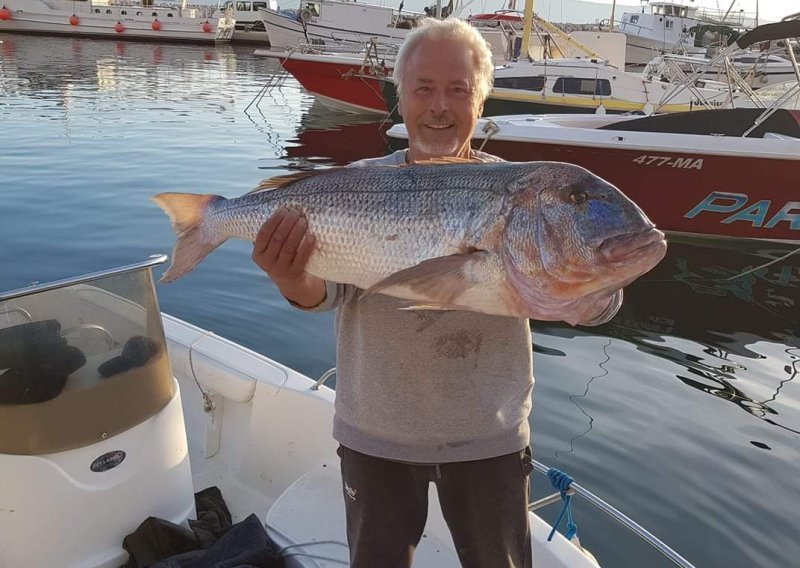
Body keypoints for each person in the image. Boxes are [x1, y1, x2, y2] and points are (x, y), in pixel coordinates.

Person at [252, 18, 621, 568]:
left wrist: (596, 290)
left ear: (482, 99)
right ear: (401, 96)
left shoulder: (523, 193)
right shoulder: (356, 185)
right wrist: (289, 278)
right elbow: (324, 295)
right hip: (375, 431)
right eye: (423, 89)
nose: (439, 107)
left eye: (458, 90)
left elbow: (599, 304)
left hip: (487, 437)